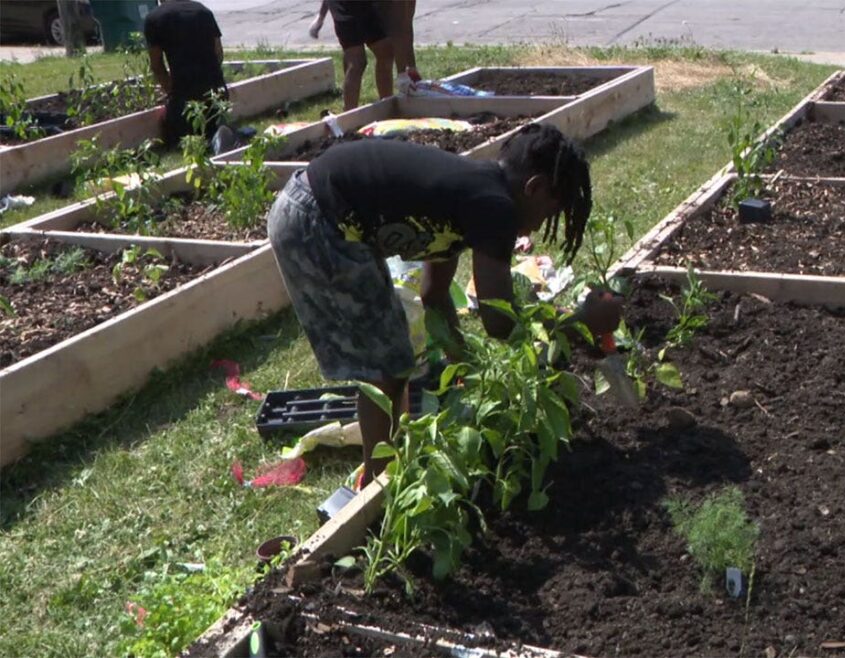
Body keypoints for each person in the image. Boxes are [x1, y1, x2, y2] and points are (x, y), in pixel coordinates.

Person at [266, 124, 621, 487]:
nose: (540, 225)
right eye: (548, 213)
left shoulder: (471, 193)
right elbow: (499, 320)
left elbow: (434, 294)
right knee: (386, 366)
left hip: (315, 207)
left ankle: (389, 467)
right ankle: (378, 485)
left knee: (393, 357)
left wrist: (466, 369)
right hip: (317, 219)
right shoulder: (495, 207)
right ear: (534, 189)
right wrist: (580, 320)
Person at [143, 0, 227, 146]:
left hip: (186, 103)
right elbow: (218, 53)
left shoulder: (154, 18)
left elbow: (156, 65)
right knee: (212, 127)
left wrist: (170, 91)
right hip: (217, 97)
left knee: (173, 134)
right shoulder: (203, 11)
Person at [309, 1, 401, 109]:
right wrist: (320, 17)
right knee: (357, 62)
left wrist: (321, 17)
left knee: (385, 52)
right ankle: (349, 115)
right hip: (345, 9)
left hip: (362, 7)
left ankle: (387, 106)